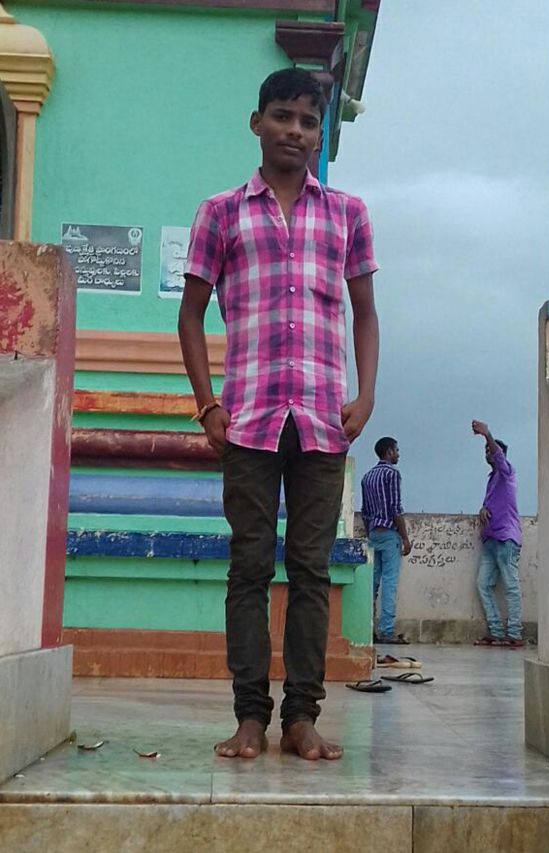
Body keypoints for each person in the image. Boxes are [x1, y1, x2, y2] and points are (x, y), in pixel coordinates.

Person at [178, 68, 379, 761]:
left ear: (319, 134)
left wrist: (366, 395)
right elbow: (190, 314)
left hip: (324, 420)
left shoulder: (347, 214)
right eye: (283, 116)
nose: (295, 130)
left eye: (308, 121)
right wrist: (207, 404)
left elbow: (365, 313)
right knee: (249, 567)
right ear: (257, 122)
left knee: (312, 570)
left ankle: (301, 717)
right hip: (249, 420)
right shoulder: (221, 213)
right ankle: (248, 716)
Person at [471, 420, 524, 648]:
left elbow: (498, 456)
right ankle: (496, 631)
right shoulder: (492, 480)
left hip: (506, 538)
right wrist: (483, 509)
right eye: (485, 451)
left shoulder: (507, 472)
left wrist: (487, 434)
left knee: (511, 586)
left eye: (490, 450)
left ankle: (514, 633)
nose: (488, 453)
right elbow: (491, 504)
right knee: (483, 584)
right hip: (491, 540)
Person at [361, 437, 412, 644]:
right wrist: (405, 537)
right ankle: (387, 631)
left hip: (374, 533)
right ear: (389, 452)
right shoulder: (392, 474)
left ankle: (366, 629)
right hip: (390, 533)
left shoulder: (367, 477)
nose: (398, 454)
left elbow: (365, 511)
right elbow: (395, 508)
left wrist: (369, 533)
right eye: (396, 450)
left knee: (371, 583)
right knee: (389, 582)